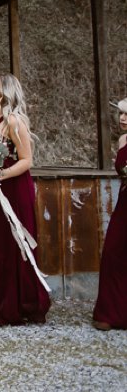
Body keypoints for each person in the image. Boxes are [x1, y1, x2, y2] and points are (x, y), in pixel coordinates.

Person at [0, 74, 50, 325]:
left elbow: (26, 160)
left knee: (12, 247)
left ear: (6, 93)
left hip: (14, 189)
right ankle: (4, 301)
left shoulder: (13, 121)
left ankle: (18, 305)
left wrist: (1, 175)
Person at [92, 98, 127, 330]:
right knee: (114, 252)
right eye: (121, 114)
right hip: (124, 202)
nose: (123, 119)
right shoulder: (123, 139)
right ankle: (110, 312)